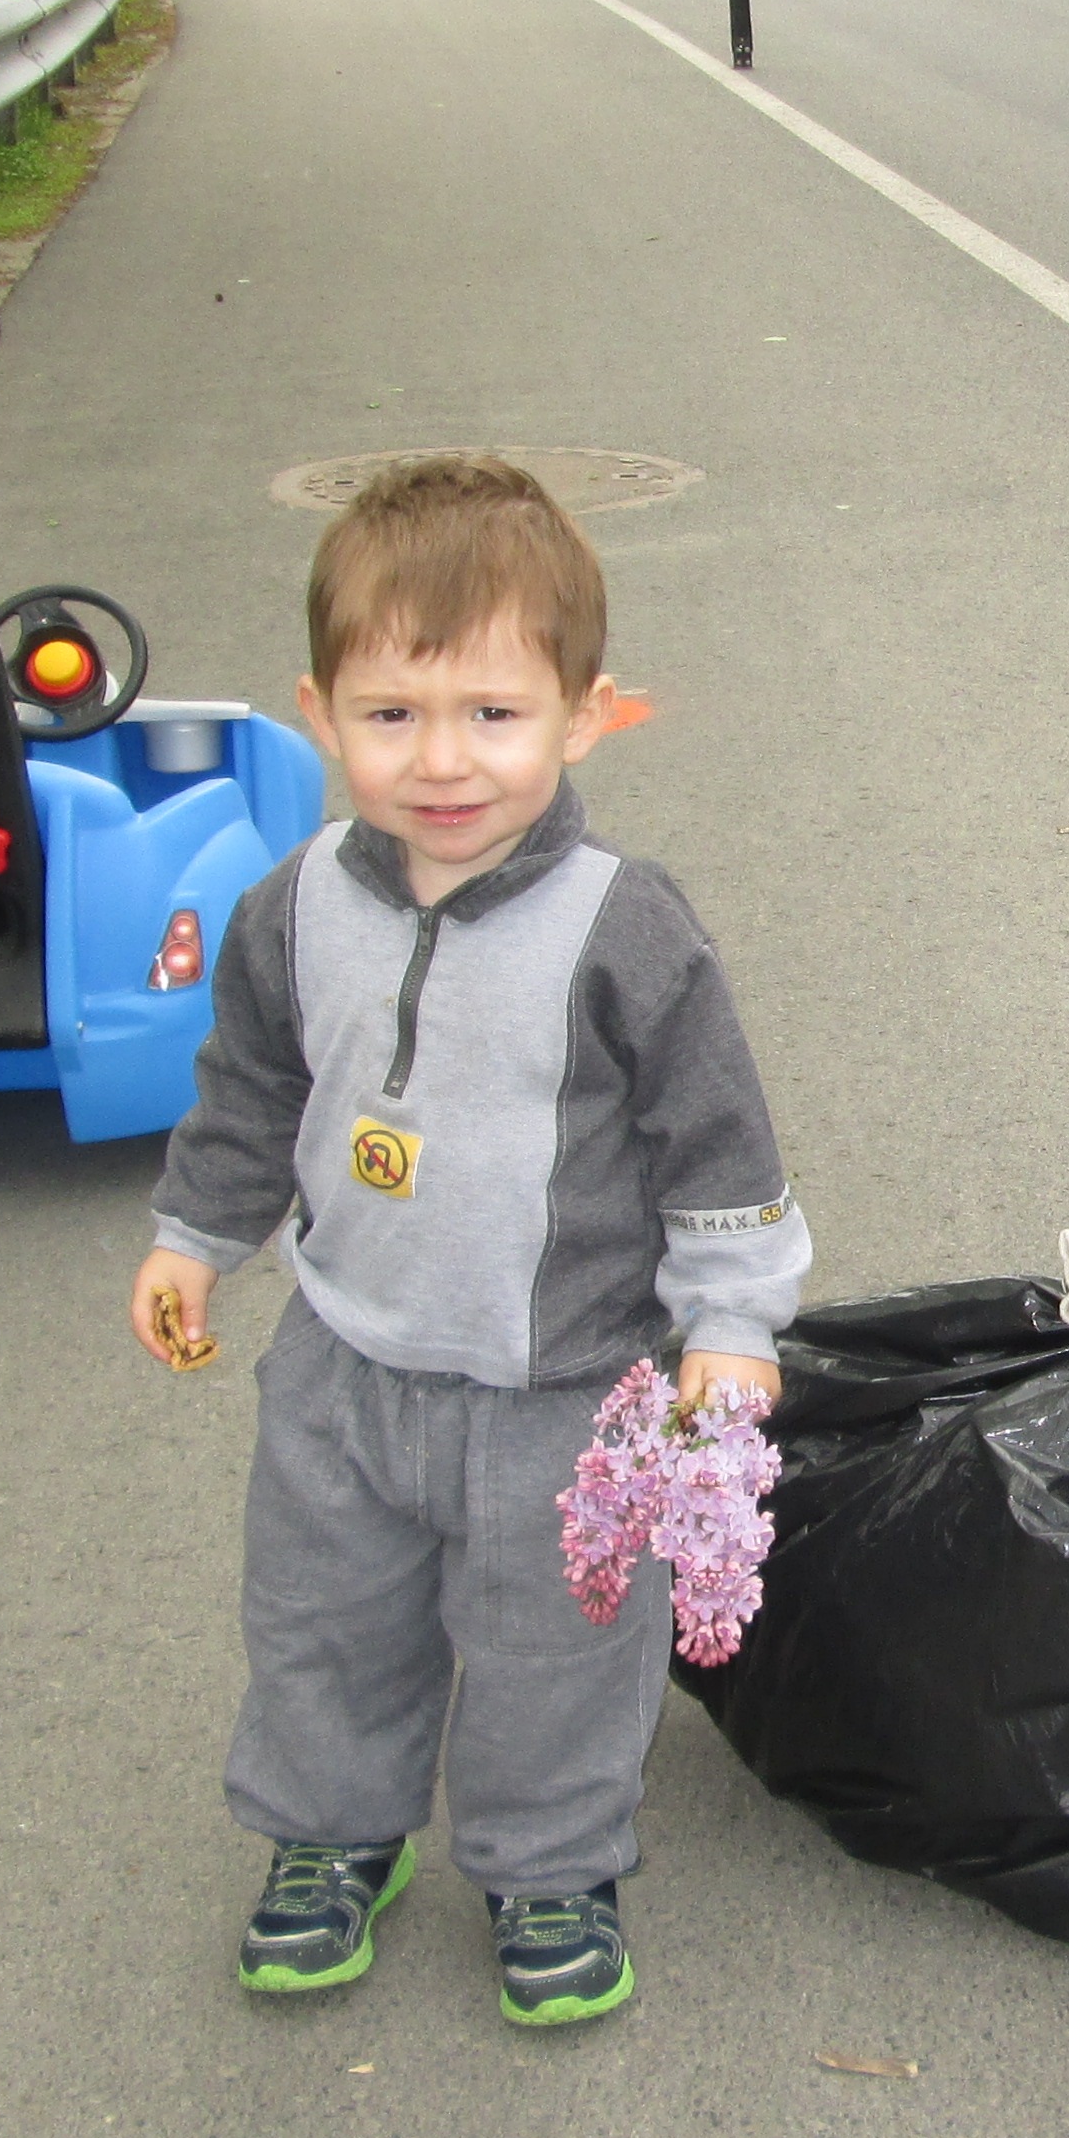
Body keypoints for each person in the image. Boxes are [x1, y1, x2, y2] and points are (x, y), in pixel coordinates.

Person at [128, 454, 805, 2029]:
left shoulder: (627, 925)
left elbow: (719, 1149)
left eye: (495, 714)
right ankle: (329, 1837)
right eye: (393, 715)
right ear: (320, 712)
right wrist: (190, 1236)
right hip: (344, 1366)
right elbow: (249, 1092)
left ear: (585, 713)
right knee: (321, 1623)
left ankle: (552, 1861)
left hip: (568, 1393)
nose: (445, 761)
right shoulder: (290, 908)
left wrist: (730, 1328)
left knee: (560, 1643)